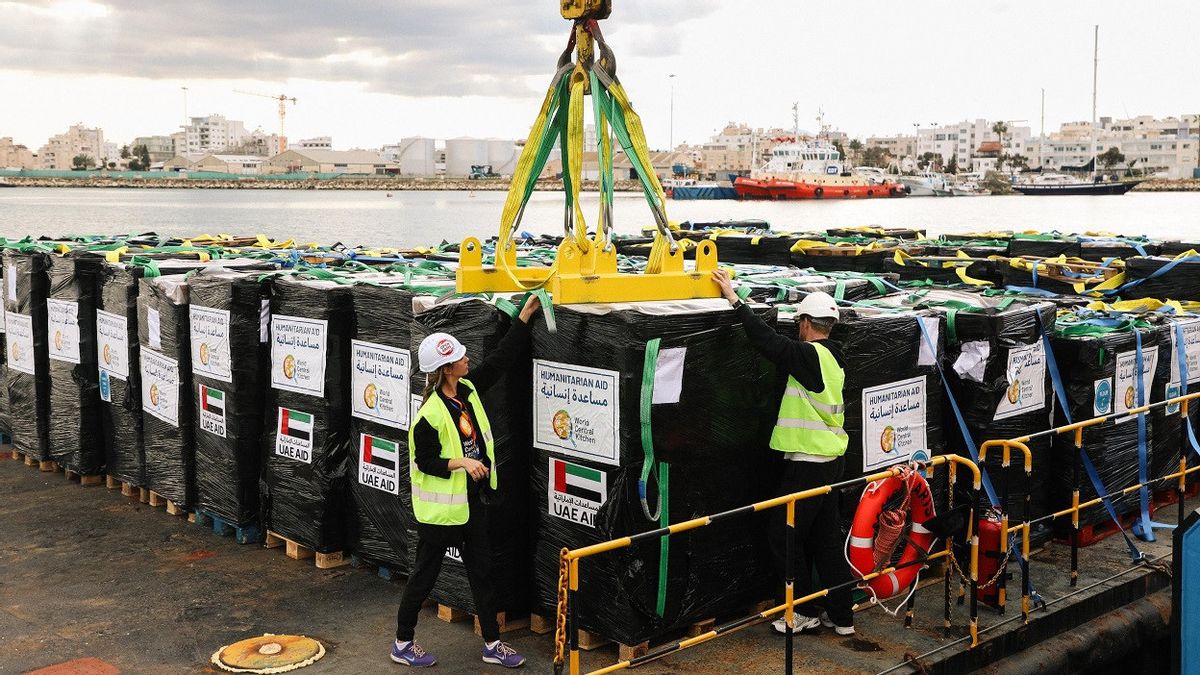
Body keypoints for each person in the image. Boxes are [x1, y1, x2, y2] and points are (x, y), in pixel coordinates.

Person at [391, 295, 541, 669]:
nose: (468, 357)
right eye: (460, 356)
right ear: (445, 368)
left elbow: (499, 362)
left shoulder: (469, 390)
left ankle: (492, 643)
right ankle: (402, 643)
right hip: (441, 514)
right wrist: (462, 462)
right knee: (423, 578)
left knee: (483, 573)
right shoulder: (429, 415)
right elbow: (424, 462)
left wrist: (521, 320)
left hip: (471, 503)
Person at [711, 270, 855, 637]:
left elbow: (767, 341)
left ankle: (802, 611)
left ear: (806, 323)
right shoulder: (835, 358)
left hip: (808, 464)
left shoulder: (810, 355)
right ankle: (842, 616)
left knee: (783, 536)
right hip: (829, 462)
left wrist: (734, 299)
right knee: (824, 540)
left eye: (799, 323)